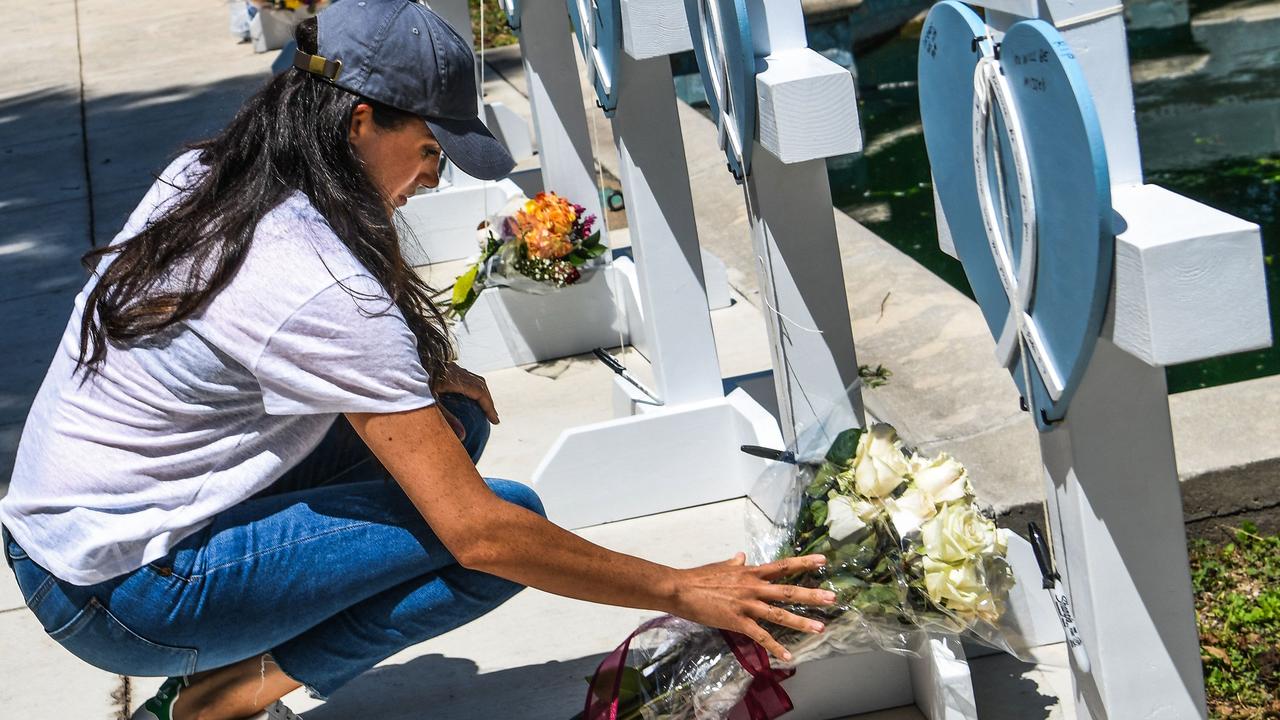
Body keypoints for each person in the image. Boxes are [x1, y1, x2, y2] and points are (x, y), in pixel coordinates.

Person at [0, 2, 834, 719]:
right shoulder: (312, 279)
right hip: (123, 596)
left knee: (453, 419)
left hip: (61, 537)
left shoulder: (214, 172)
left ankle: (228, 670)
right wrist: (682, 588)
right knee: (502, 531)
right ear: (361, 119)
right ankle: (218, 698)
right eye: (432, 149)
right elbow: (481, 535)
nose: (433, 179)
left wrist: (420, 378)